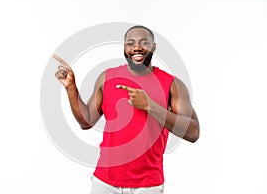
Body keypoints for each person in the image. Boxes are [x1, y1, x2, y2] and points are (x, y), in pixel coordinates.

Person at [54, 25, 200, 194]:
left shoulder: (172, 84)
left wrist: (150, 106)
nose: (137, 47)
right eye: (130, 43)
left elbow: (193, 132)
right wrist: (71, 88)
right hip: (105, 183)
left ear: (153, 47)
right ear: (124, 48)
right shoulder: (107, 77)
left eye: (144, 42)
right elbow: (86, 122)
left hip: (148, 186)